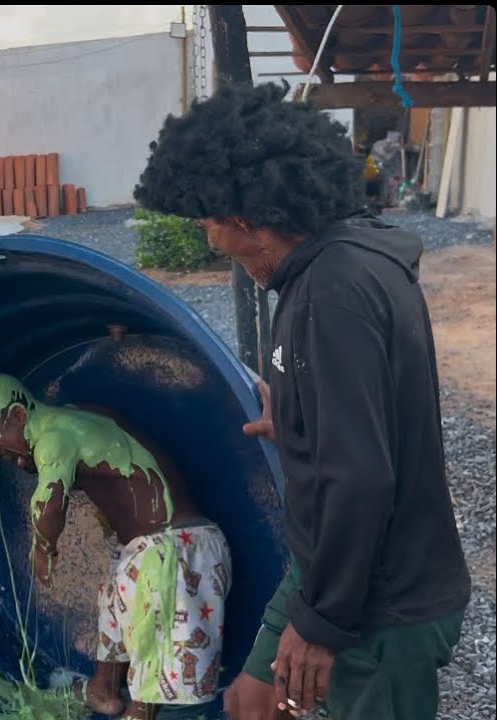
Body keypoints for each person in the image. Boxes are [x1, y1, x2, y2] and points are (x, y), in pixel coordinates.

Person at [134, 81, 471, 720]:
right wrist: (294, 419)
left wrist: (320, 626)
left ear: (242, 219)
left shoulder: (333, 293)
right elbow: (368, 418)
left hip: (381, 599)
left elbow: (362, 476)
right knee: (251, 702)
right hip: (329, 564)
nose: (212, 243)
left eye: (208, 225)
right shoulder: (341, 264)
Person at [0, 372, 231, 720]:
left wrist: (43, 549)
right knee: (115, 607)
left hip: (175, 551)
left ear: (18, 416)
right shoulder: (76, 417)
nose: (4, 455)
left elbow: (49, 501)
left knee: (155, 645)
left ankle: (142, 712)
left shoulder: (52, 437)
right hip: (148, 548)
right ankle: (103, 688)